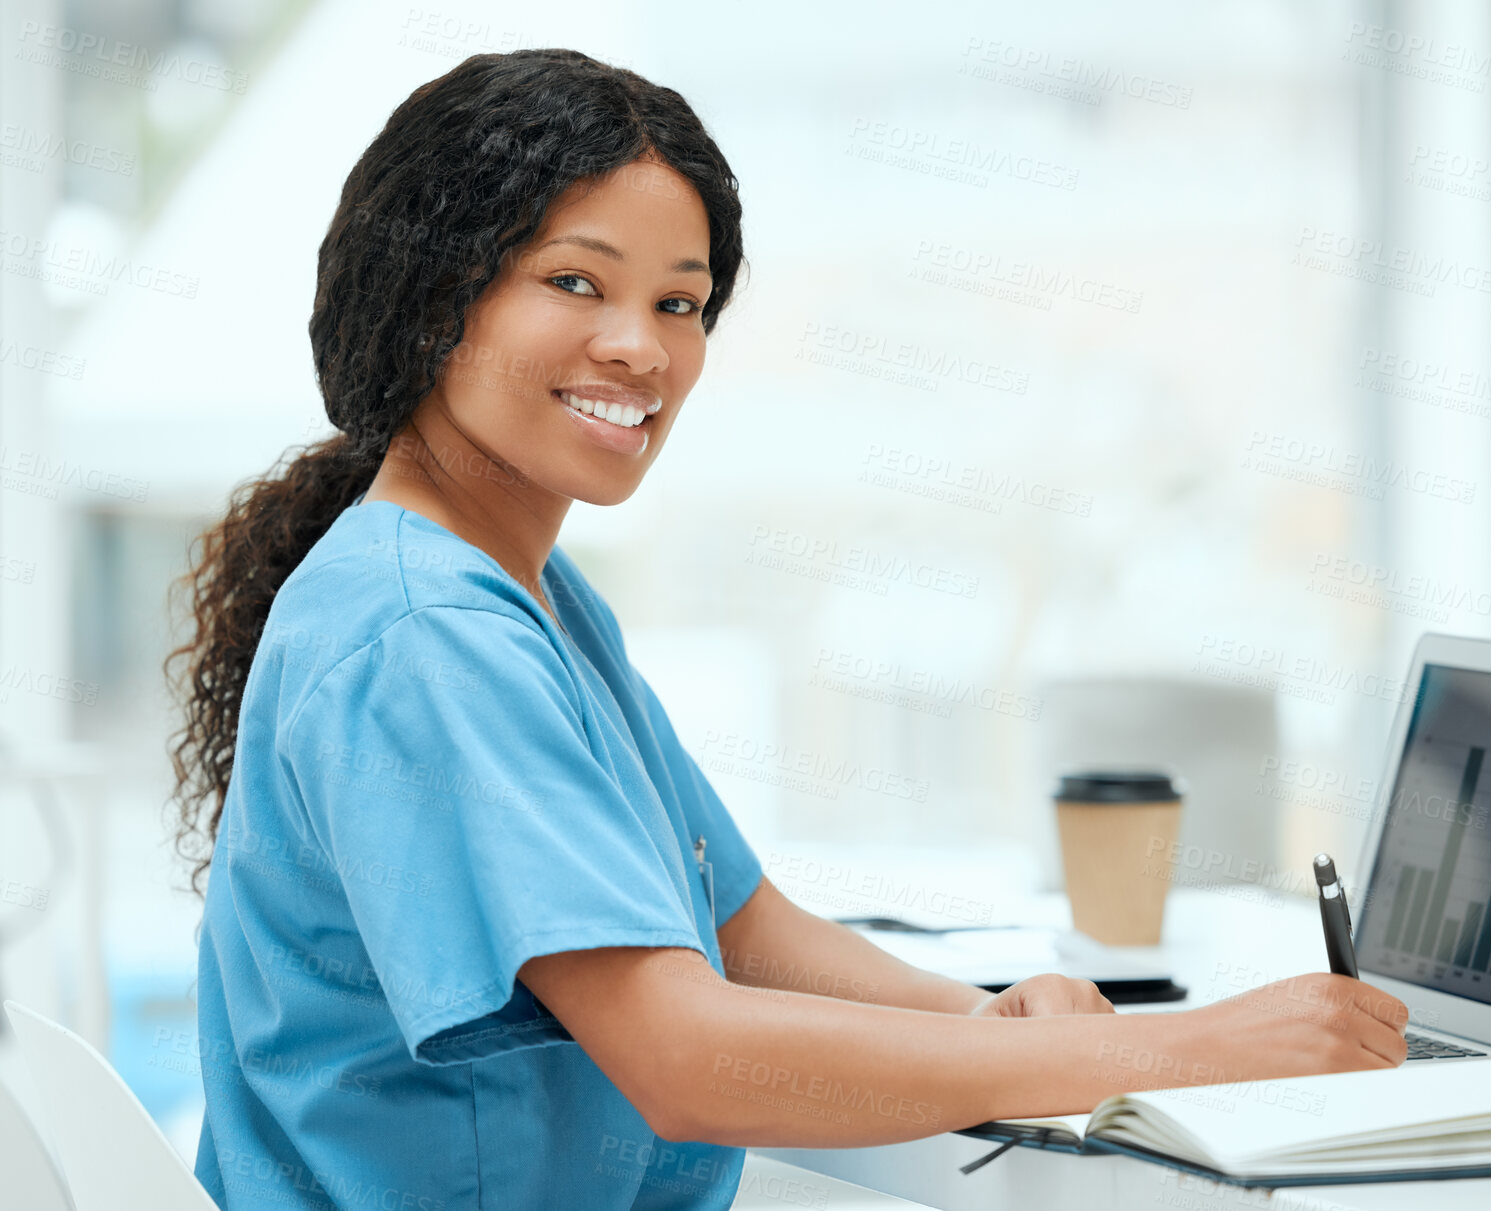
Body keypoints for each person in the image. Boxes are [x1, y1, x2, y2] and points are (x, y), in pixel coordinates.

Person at [165, 48, 1408, 1211]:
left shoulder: (521, 592)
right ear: (433, 291)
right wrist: (1181, 1049)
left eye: (682, 301)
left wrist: (985, 1022)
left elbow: (741, 929)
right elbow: (682, 1054)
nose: (639, 347)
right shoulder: (428, 634)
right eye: (576, 282)